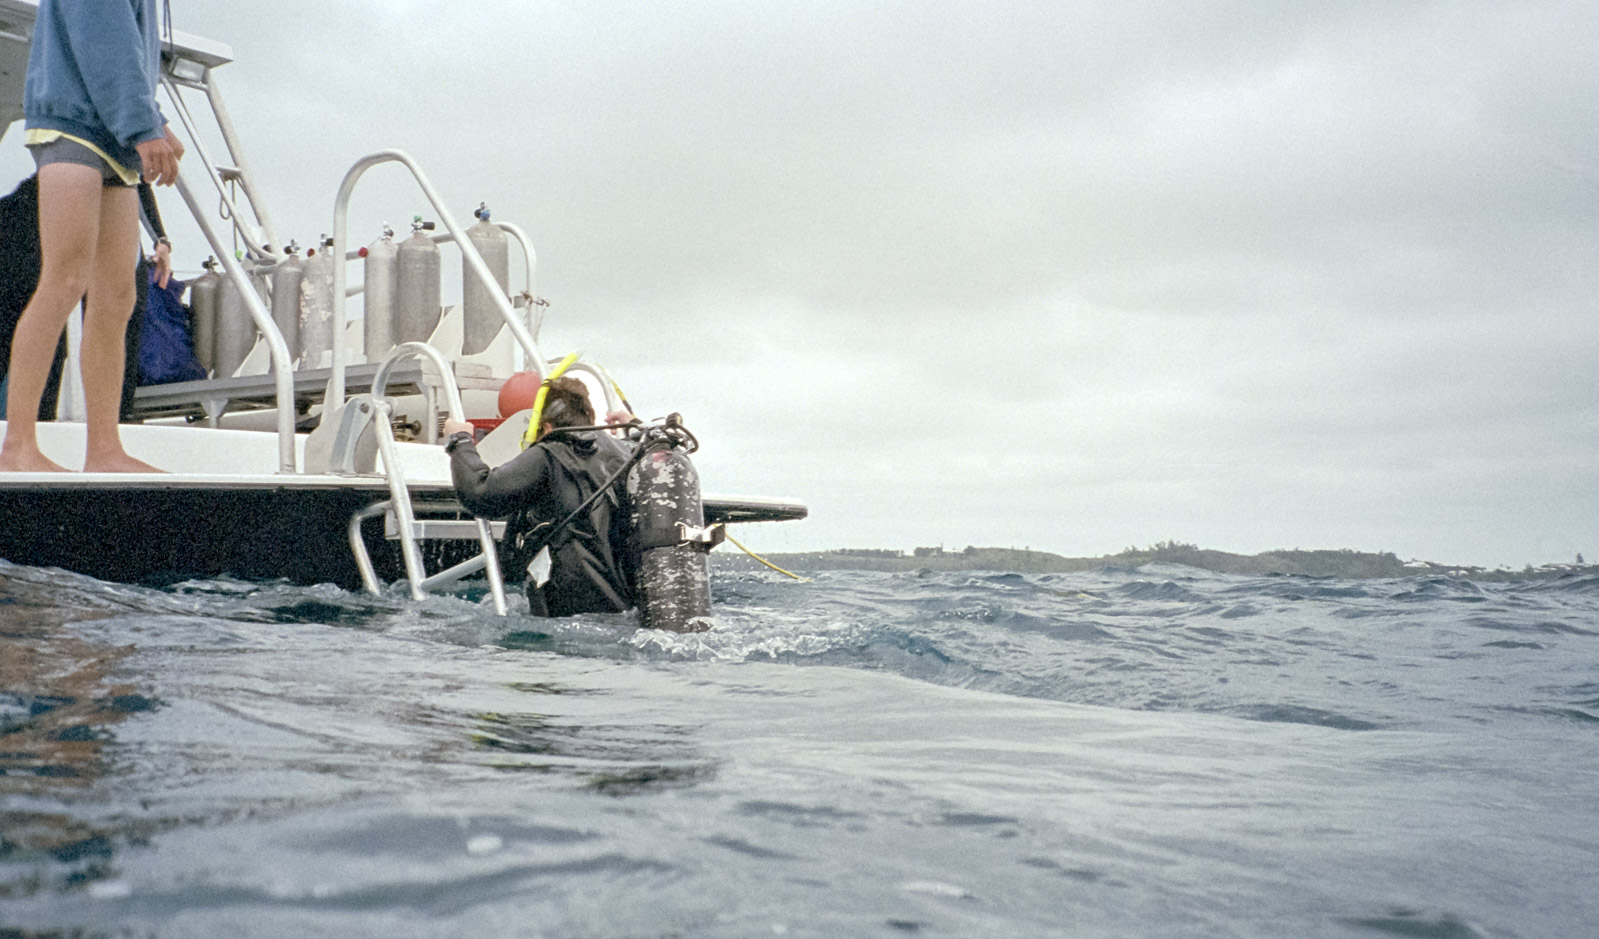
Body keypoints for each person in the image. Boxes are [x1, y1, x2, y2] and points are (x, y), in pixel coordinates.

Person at [0, 0, 184, 472]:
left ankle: (104, 449)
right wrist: (144, 127)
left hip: (110, 135)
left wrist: (154, 118)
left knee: (118, 295)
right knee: (64, 280)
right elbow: (103, 39)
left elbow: (128, 50)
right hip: (72, 123)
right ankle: (18, 446)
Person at [442, 377, 636, 617]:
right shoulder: (626, 451)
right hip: (628, 610)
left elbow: (480, 494)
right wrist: (636, 426)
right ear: (590, 418)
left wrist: (459, 441)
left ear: (546, 427)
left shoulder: (549, 455)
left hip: (572, 617)